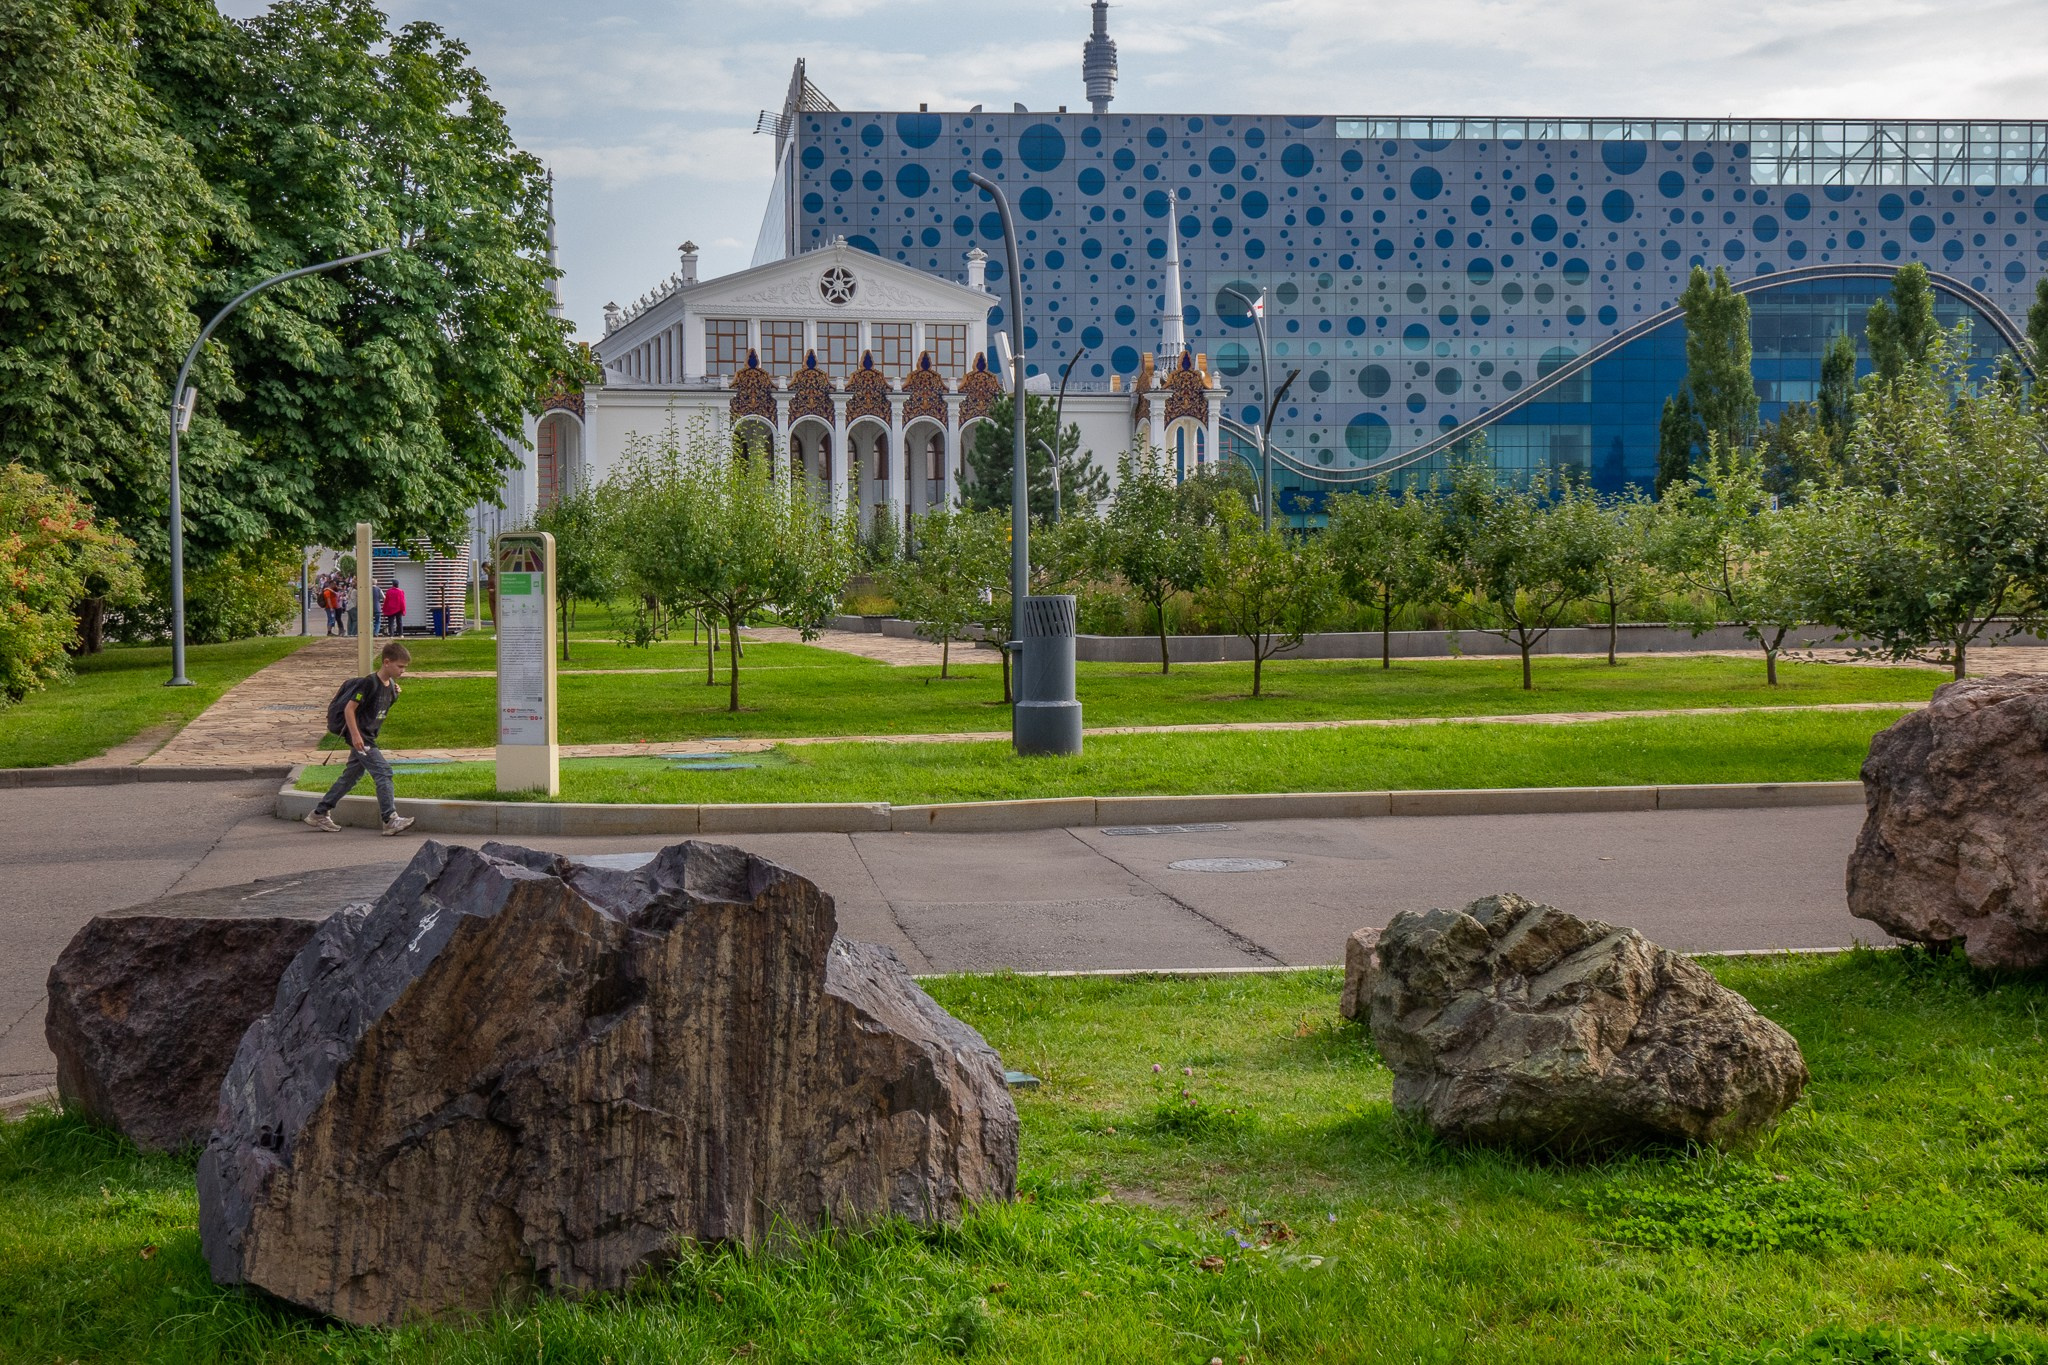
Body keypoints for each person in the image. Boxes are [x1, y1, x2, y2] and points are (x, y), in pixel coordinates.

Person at [304, 641, 417, 836]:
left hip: (369, 736)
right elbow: (350, 708)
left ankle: (319, 813)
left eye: (404, 667)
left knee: (350, 777)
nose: (403, 671)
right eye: (400, 666)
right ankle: (390, 819)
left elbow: (377, 709)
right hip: (362, 738)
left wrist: (395, 694)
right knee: (384, 772)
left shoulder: (390, 687)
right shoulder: (369, 683)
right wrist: (355, 735)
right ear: (386, 662)